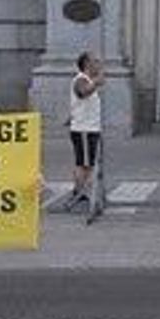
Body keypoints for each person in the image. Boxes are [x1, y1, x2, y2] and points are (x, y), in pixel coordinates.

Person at [69, 51, 104, 204]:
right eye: (95, 61)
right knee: (85, 164)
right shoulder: (81, 79)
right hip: (84, 129)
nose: (99, 65)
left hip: (89, 128)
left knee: (87, 162)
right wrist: (96, 82)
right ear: (87, 64)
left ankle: (81, 192)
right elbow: (82, 92)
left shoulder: (87, 80)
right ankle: (79, 193)